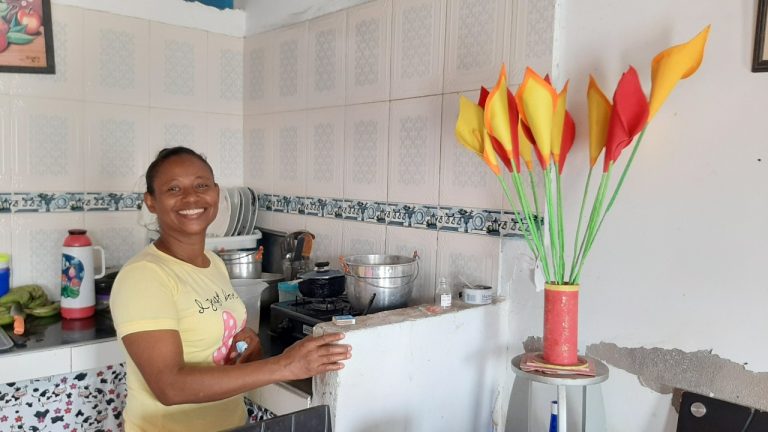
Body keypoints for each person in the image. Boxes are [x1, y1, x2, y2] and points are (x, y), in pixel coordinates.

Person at [110, 147, 352, 432]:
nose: (191, 197)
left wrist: (240, 344)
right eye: (173, 188)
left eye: (201, 185)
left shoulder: (212, 262)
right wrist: (285, 365)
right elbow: (169, 387)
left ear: (216, 193)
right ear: (151, 202)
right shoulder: (144, 275)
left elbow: (206, 338)